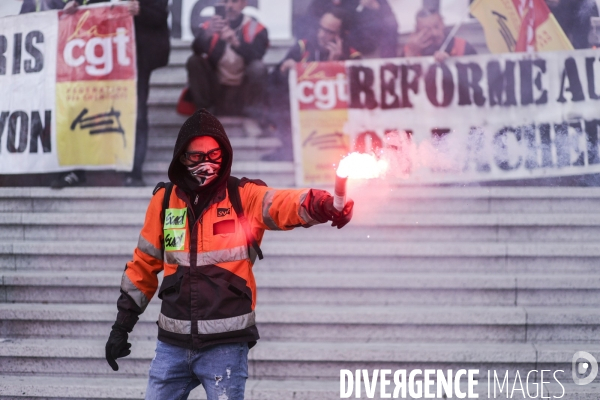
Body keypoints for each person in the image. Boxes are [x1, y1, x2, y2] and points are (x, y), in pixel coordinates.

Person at [104, 109, 354, 400]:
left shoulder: (243, 196)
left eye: (213, 154)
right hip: (172, 345)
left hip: (225, 346)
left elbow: (283, 204)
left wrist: (323, 204)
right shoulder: (164, 201)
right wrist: (122, 326)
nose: (206, 163)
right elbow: (143, 266)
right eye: (196, 157)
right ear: (181, 158)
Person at [50, 0, 170, 188]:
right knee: (83, 108)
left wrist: (141, 10)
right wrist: (75, 7)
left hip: (133, 56)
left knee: (136, 113)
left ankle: (133, 171)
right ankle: (76, 169)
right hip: (97, 53)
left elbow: (161, 13)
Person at [261, 9, 360, 162]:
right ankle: (288, 148)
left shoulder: (351, 54)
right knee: (278, 94)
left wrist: (335, 64)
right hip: (303, 107)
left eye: (329, 32)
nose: (322, 34)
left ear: (340, 35)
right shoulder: (303, 47)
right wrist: (284, 70)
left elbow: (358, 86)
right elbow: (274, 77)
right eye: (321, 28)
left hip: (336, 111)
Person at [186, 0, 269, 117]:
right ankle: (205, 114)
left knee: (258, 68)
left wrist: (236, 43)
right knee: (194, 61)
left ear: (243, 4)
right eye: (225, 1)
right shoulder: (210, 26)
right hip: (217, 89)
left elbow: (258, 55)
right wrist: (208, 33)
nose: (229, 6)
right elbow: (196, 50)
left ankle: (253, 116)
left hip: (243, 91)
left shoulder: (256, 28)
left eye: (234, 1)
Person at [304, 0, 399, 58]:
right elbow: (306, 25)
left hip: (364, 52)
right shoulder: (320, 3)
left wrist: (376, 8)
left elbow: (392, 25)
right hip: (325, 51)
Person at [403, 8, 477, 62]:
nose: (434, 33)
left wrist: (450, 63)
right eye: (427, 29)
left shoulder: (462, 46)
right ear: (417, 30)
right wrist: (410, 55)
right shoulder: (410, 49)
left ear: (443, 23)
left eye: (437, 26)